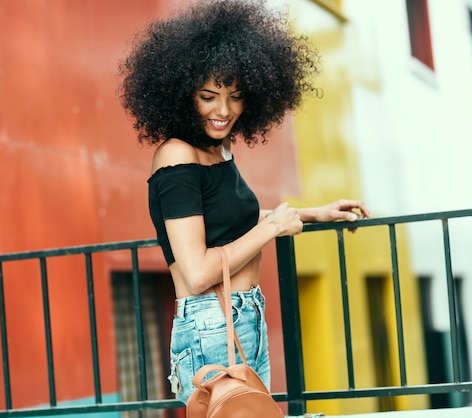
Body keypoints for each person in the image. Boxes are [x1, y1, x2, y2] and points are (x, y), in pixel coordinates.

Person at [118, 0, 370, 404]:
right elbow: (198, 272)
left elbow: (238, 223)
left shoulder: (219, 150)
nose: (224, 110)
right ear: (183, 95)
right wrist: (272, 228)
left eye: (235, 96)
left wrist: (316, 214)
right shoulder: (176, 157)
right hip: (210, 325)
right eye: (208, 96)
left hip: (244, 316)